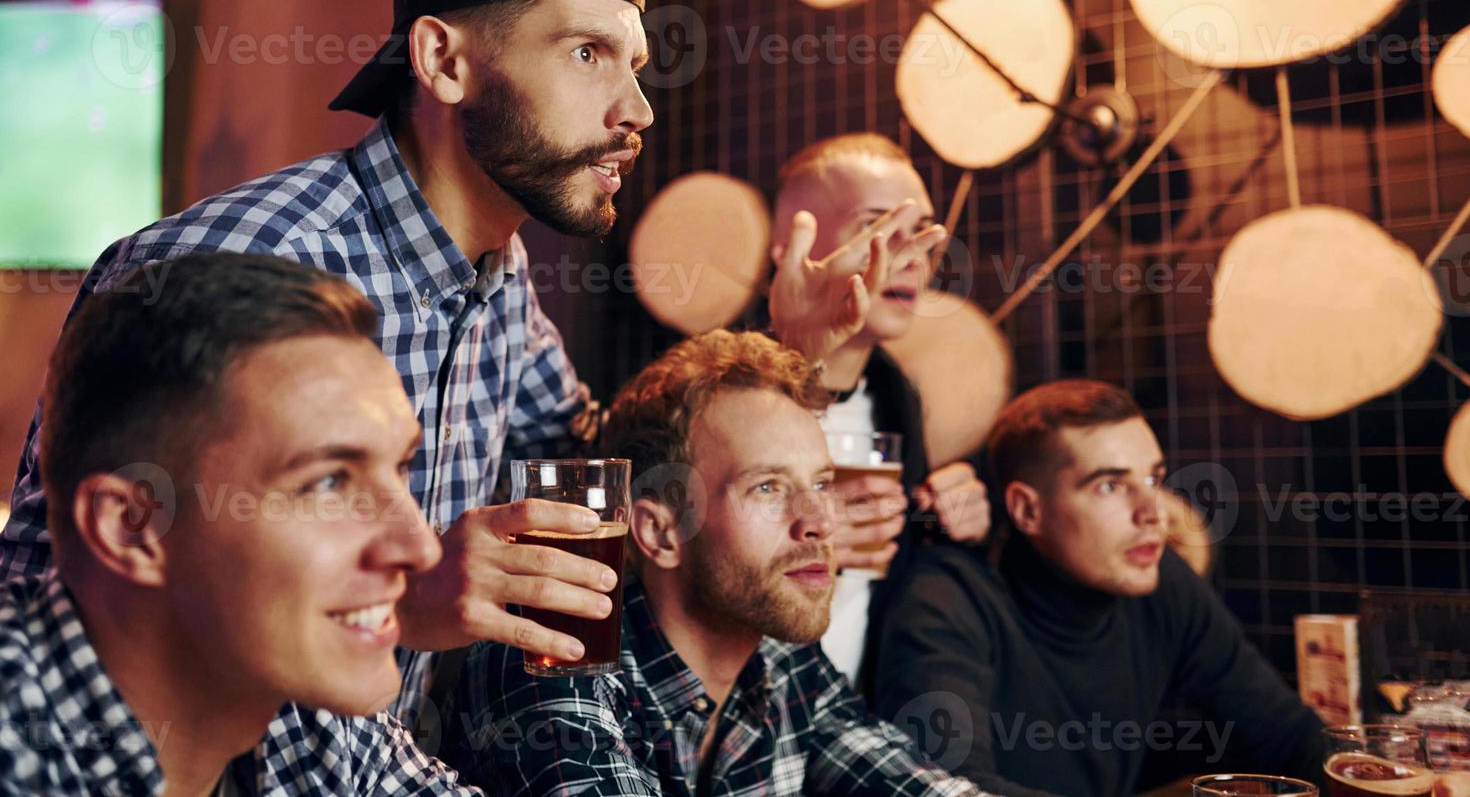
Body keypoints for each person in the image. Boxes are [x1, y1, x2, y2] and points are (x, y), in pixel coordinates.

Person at [0, 0, 933, 737]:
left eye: (635, 64)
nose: (638, 107)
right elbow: (52, 614)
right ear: (443, 60)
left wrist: (798, 349)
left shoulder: (500, 277)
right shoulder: (231, 265)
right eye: (586, 54)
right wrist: (401, 598)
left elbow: (604, 472)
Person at [444, 331, 999, 797]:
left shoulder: (780, 659)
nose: (820, 522)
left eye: (822, 484)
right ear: (662, 532)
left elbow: (911, 783)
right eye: (767, 487)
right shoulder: (558, 652)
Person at [0, 253, 477, 795]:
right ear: (130, 528)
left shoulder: (299, 699)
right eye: (327, 483)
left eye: (401, 466)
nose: (421, 550)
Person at [873, 380, 1327, 796]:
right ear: (1027, 510)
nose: (1153, 512)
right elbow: (953, 790)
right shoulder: (946, 599)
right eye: (1110, 485)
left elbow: (1287, 736)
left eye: (1152, 477)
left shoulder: (1161, 577)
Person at [771, 133, 990, 693]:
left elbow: (889, 574)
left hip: (852, 721)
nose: (913, 255)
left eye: (920, 233)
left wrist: (949, 519)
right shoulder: (719, 387)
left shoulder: (898, 397)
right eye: (880, 228)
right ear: (792, 248)